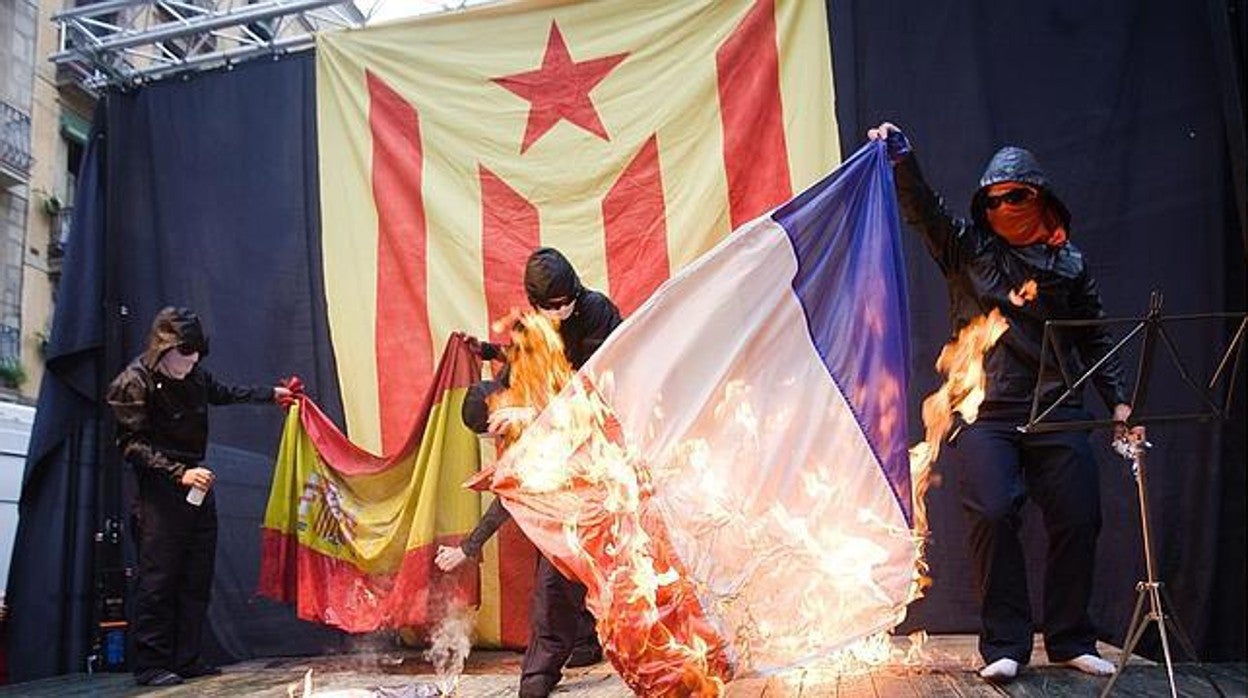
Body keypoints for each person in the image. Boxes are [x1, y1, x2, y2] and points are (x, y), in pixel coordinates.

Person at [867, 123, 1143, 682]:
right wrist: (901, 158)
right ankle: (1006, 644)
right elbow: (923, 209)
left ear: (1038, 197)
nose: (1003, 206)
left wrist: (1118, 402)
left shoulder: (1069, 265)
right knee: (992, 515)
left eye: (1015, 195)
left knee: (1078, 518)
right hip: (985, 412)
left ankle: (1069, 638)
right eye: (993, 198)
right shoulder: (966, 248)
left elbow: (1094, 336)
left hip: (1056, 408)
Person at [447, 247, 622, 698]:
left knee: (622, 563)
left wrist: (530, 414)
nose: (561, 312)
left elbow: (597, 387)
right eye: (551, 306)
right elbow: (516, 366)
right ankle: (546, 673)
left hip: (603, 453)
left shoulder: (599, 312)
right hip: (561, 471)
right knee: (557, 569)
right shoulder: (533, 332)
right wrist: (487, 353)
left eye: (567, 303)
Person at [106, 307, 291, 686]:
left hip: (196, 487)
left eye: (194, 359)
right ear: (163, 349)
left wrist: (271, 395)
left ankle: (186, 657)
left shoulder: (195, 376)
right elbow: (132, 445)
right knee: (158, 581)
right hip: (159, 490)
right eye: (182, 357)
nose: (188, 366)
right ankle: (152, 664)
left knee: (196, 576)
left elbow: (225, 393)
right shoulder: (133, 382)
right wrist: (179, 473)